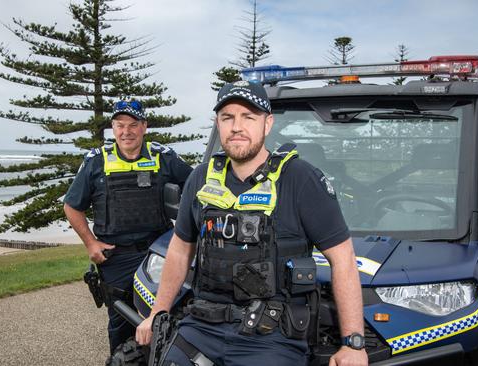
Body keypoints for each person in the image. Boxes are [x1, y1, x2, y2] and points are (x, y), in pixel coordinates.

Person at [136, 82, 368, 366]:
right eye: (227, 117)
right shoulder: (200, 178)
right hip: (201, 328)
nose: (237, 126)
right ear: (218, 124)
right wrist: (157, 313)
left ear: (267, 124)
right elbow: (180, 248)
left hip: (271, 336)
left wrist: (353, 344)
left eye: (248, 117)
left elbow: (343, 258)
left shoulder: (300, 179)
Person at [63, 99, 193, 356]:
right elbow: (71, 206)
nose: (126, 131)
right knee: (122, 322)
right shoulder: (96, 161)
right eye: (120, 125)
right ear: (113, 128)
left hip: (158, 254)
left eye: (133, 125)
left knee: (167, 316)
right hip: (117, 257)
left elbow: (195, 188)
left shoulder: (163, 157)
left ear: (144, 127)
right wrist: (91, 243)